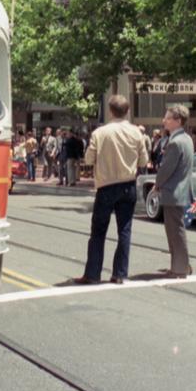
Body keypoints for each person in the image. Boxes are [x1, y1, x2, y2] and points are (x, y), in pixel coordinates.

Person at [75, 96, 150, 285]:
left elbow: (89, 159)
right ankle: (120, 274)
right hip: (128, 185)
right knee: (124, 230)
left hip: (106, 185)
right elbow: (143, 161)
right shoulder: (136, 133)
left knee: (98, 232)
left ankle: (92, 274)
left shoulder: (100, 133)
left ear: (110, 111)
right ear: (128, 111)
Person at [155, 104, 195, 279]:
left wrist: (157, 183)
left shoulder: (175, 142)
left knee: (175, 231)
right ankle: (180, 265)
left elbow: (166, 169)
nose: (164, 120)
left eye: (168, 118)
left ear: (178, 121)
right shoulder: (187, 139)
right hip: (181, 191)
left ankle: (180, 267)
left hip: (173, 192)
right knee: (175, 230)